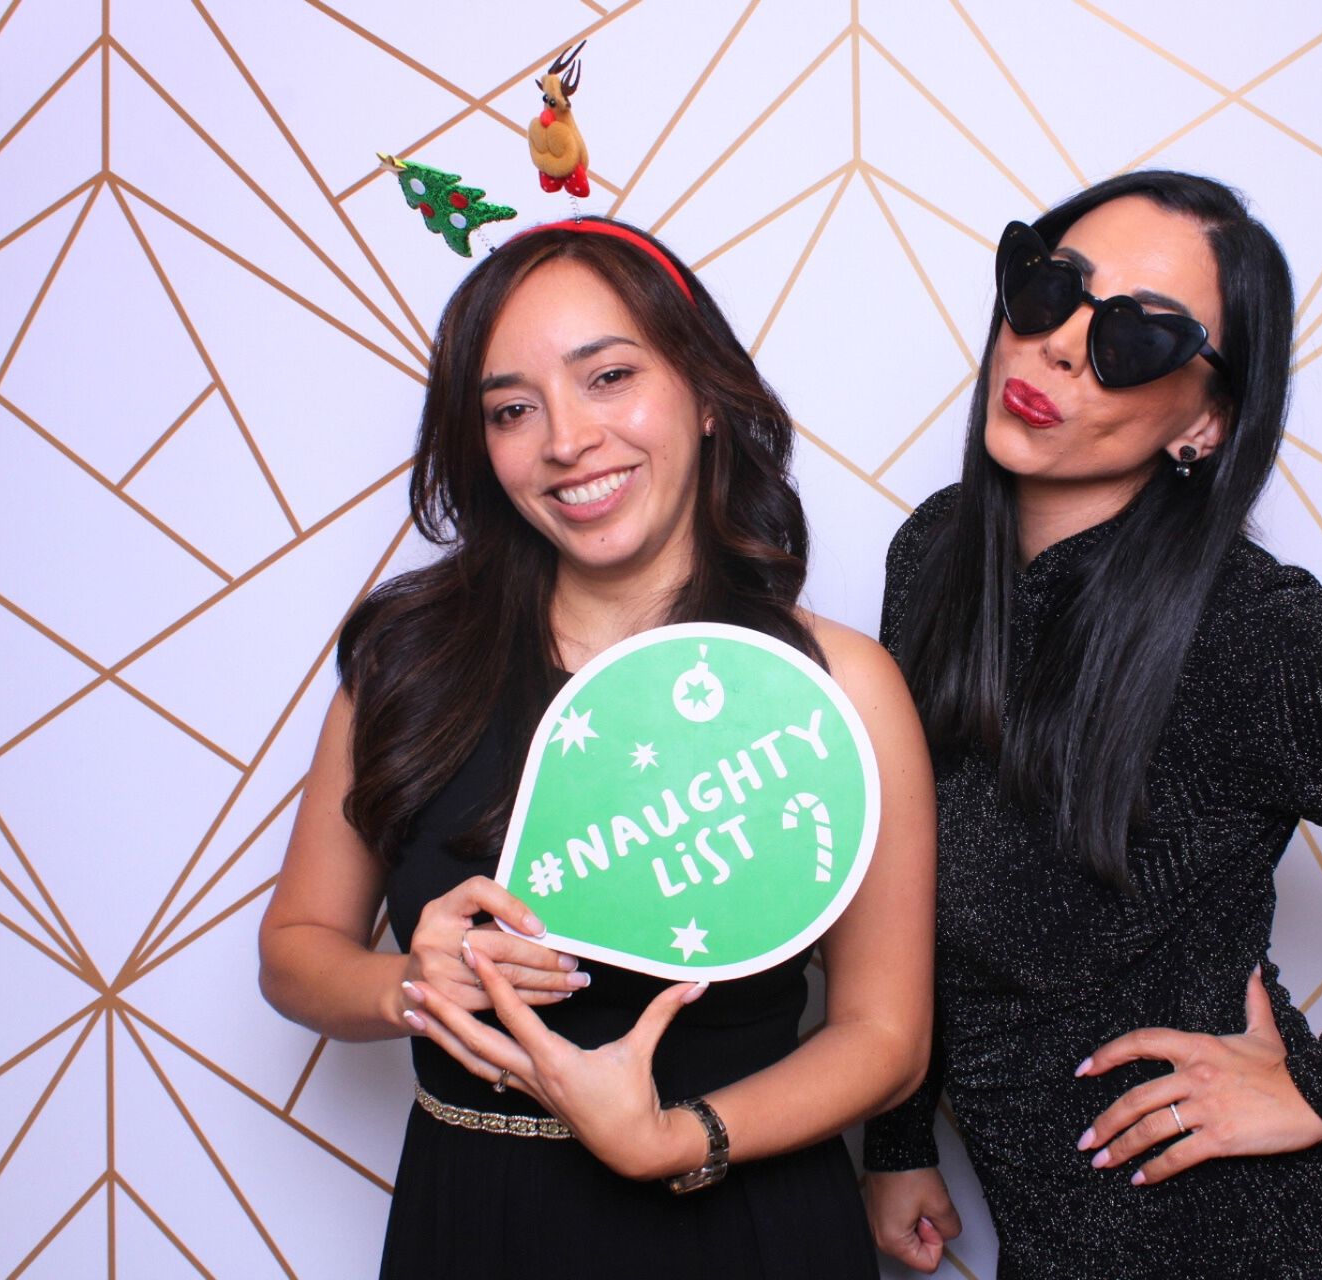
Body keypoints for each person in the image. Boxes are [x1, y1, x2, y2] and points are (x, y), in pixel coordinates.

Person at [859, 171, 1322, 1279]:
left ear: (1208, 420)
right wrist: (895, 1139)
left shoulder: (1246, 635)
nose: (1063, 345)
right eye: (1049, 286)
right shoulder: (934, 554)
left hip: (1232, 1241)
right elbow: (907, 871)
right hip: (1052, 1235)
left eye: (1138, 337)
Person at [257, 217, 935, 1279]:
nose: (567, 437)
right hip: (473, 1220)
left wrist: (680, 1134)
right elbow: (295, 947)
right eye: (513, 409)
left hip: (743, 1219)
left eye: (610, 375)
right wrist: (410, 984)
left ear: (707, 393)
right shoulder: (406, 660)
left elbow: (886, 1037)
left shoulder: (832, 685)